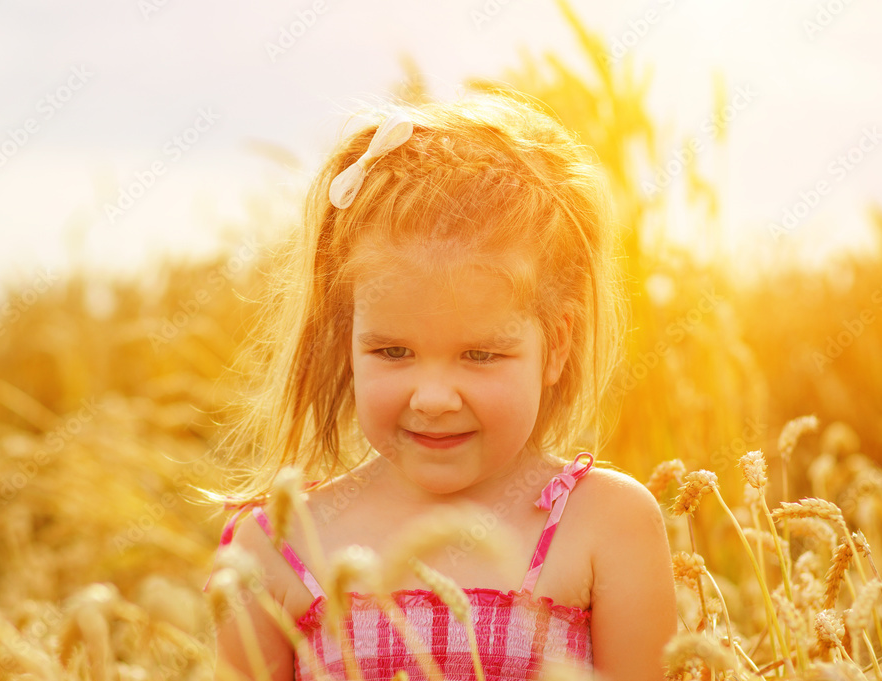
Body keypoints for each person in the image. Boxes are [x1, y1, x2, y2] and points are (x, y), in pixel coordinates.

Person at [204, 93, 677, 681]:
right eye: (391, 351)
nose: (432, 398)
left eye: (479, 354)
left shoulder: (605, 524)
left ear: (555, 346)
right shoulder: (279, 548)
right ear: (346, 338)